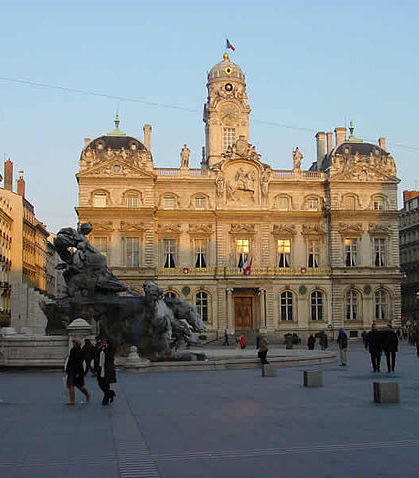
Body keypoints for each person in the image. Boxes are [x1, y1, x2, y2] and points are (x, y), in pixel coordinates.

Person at [65, 338, 90, 405]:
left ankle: (87, 395)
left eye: (74, 342)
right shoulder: (75, 350)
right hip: (73, 370)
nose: (73, 343)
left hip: (75, 370)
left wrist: (77, 372)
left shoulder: (77, 351)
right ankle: (72, 400)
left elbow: (78, 362)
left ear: (76, 344)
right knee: (71, 385)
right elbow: (71, 361)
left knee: (78, 386)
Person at [95, 337, 116, 405]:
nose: (104, 343)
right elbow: (97, 355)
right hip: (100, 368)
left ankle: (106, 397)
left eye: (105, 342)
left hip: (107, 369)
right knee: (101, 383)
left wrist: (106, 349)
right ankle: (111, 393)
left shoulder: (110, 350)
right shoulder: (101, 348)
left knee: (106, 383)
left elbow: (109, 358)